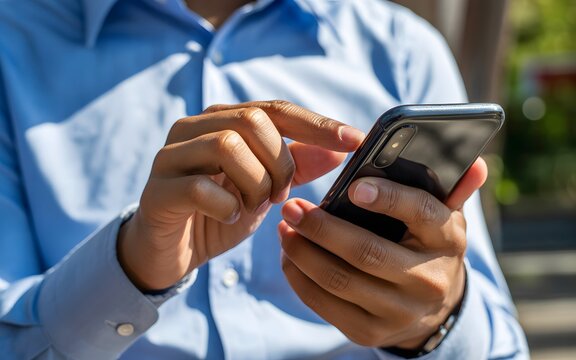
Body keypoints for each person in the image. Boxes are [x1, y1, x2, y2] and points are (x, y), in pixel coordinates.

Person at [0, 0, 529, 359]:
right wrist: (131, 268)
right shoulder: (12, 42)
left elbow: (504, 347)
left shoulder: (402, 48)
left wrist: (435, 322)